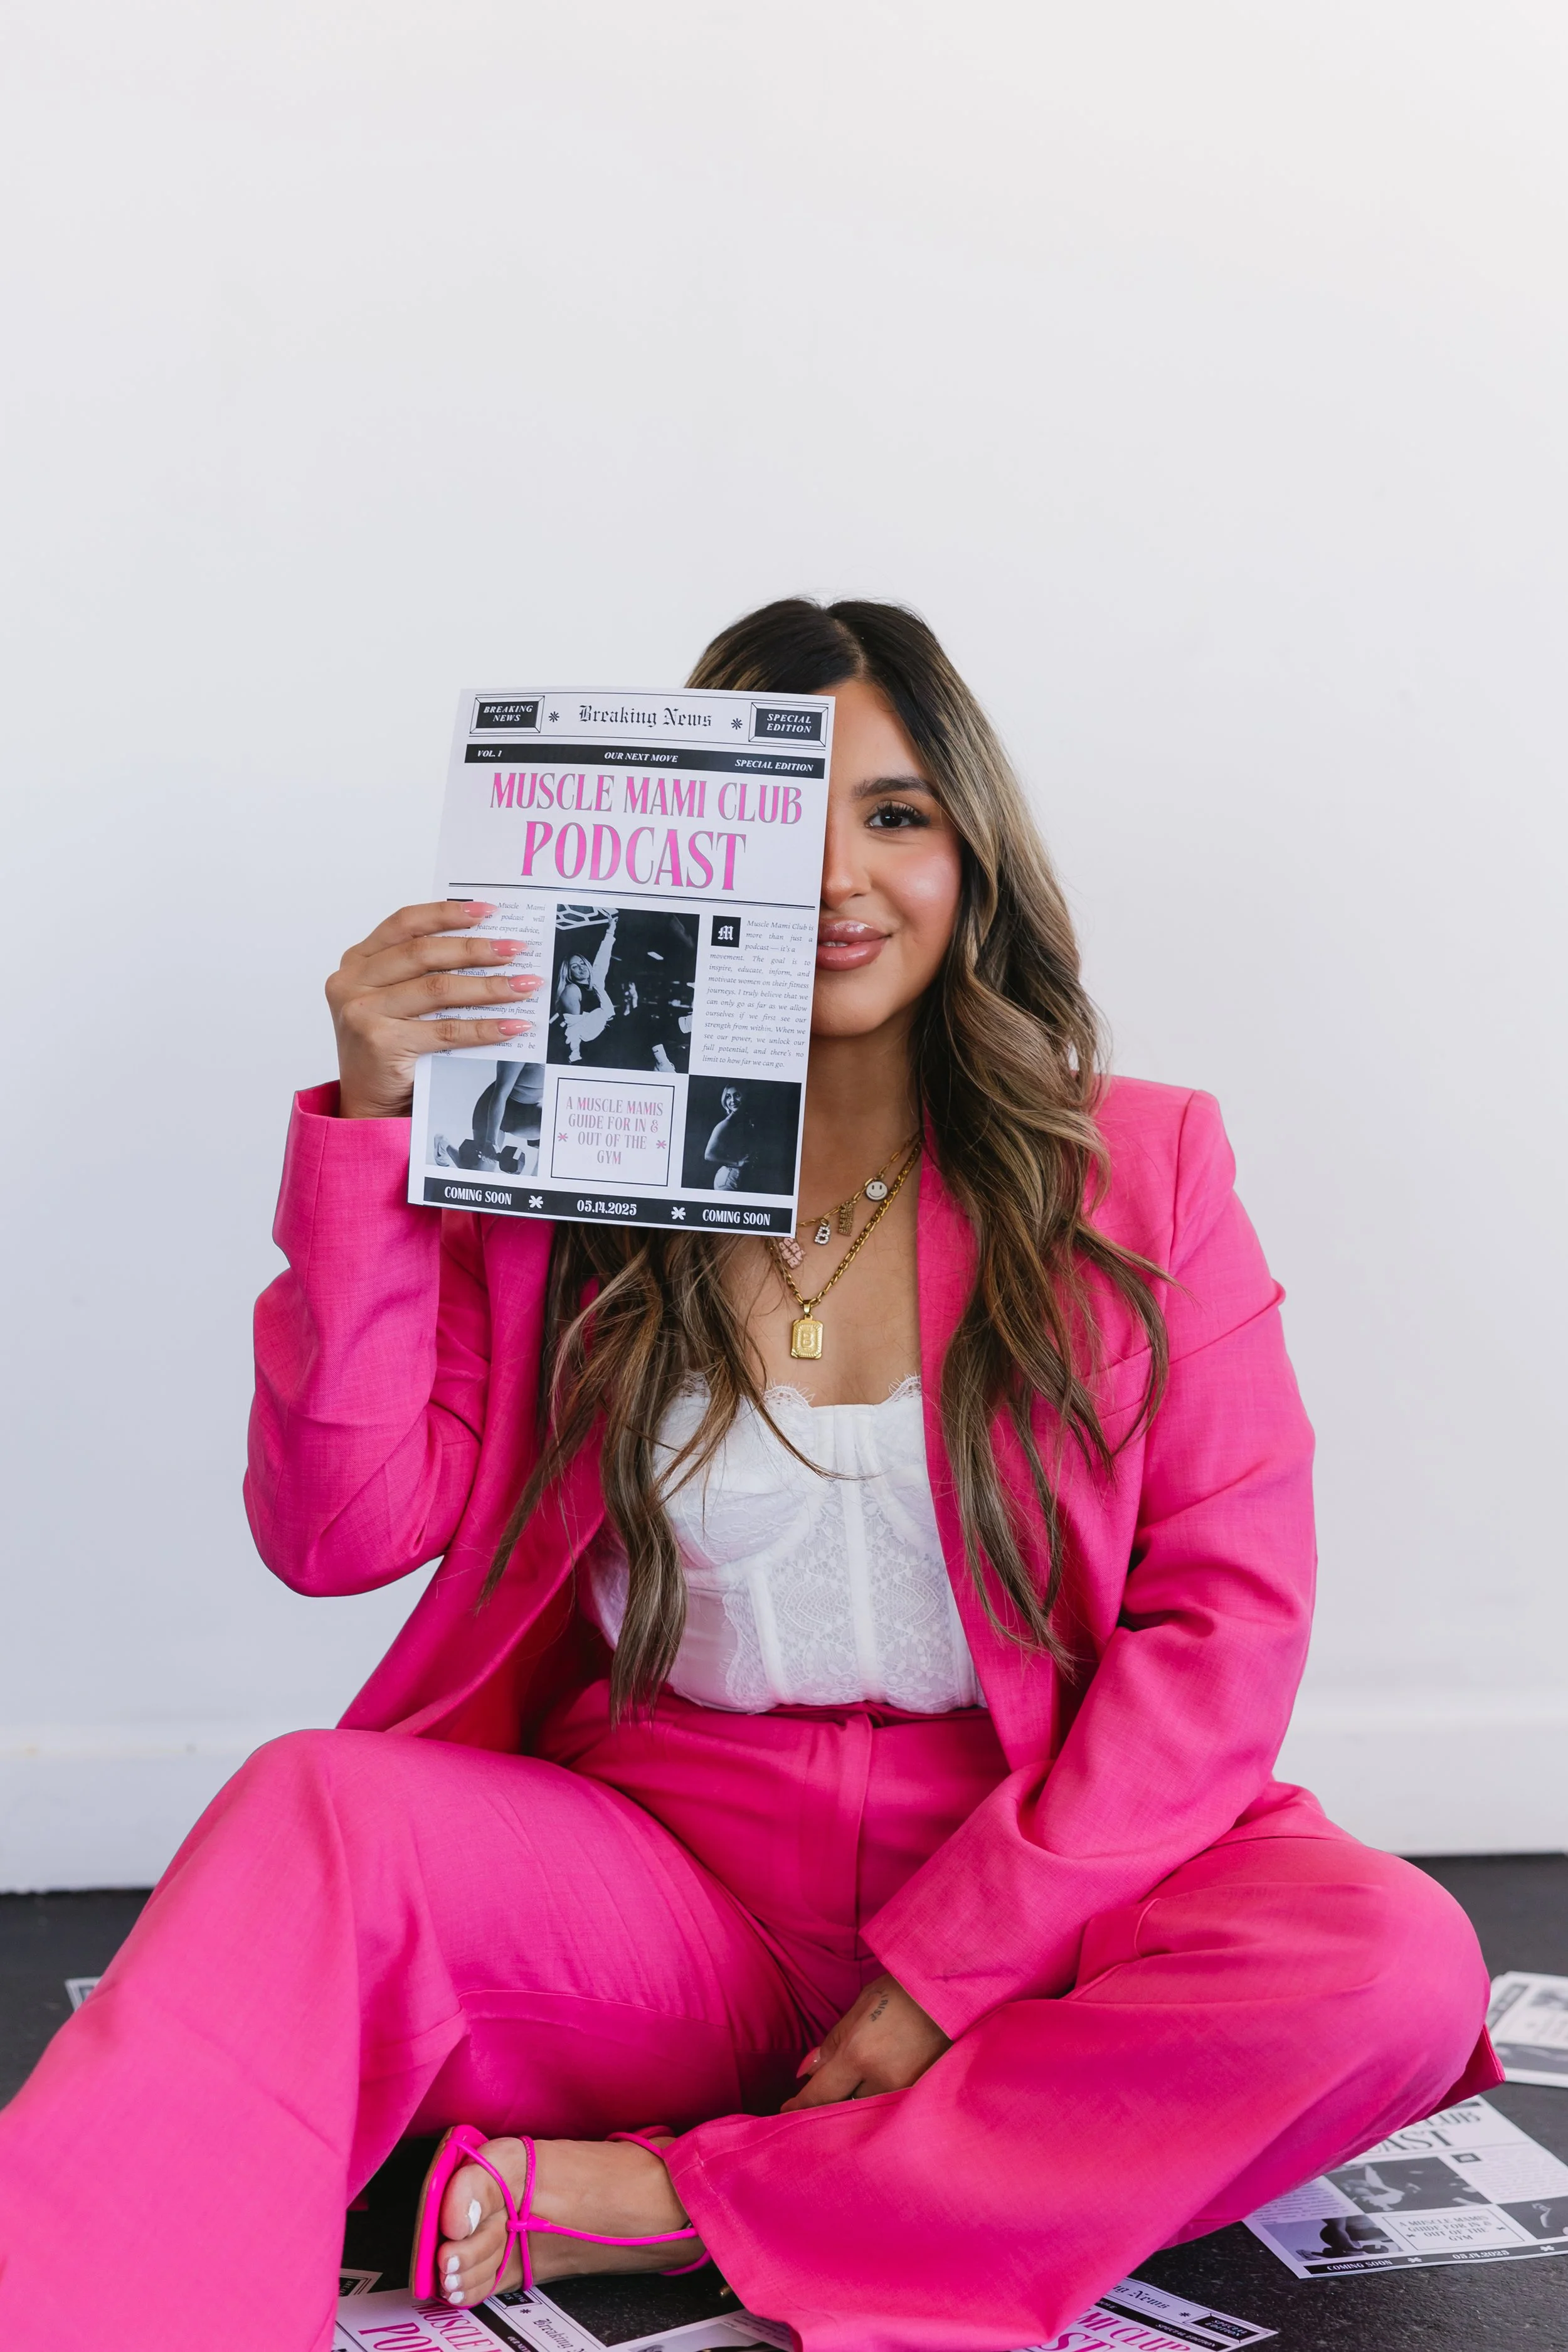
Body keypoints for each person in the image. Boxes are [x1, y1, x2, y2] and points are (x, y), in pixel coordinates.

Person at [0, 598, 1500, 2352]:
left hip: (1045, 1871)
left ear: (973, 848)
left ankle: (646, 2198)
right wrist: (369, 1123)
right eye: (784, 828)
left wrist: (955, 1967)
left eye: (895, 813)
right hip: (650, 1880)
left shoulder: (1139, 1167)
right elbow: (338, 1533)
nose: (842, 882)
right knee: (307, 1808)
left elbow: (1220, 1625)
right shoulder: (562, 1175)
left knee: (1388, 1962)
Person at [551, 917, 618, 1062]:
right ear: (569, 973)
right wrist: (575, 1056)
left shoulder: (595, 984)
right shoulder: (572, 990)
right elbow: (574, 1027)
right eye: (575, 966)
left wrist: (610, 930)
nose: (581, 968)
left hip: (608, 1035)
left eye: (582, 963)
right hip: (593, 1045)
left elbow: (603, 958)